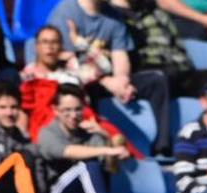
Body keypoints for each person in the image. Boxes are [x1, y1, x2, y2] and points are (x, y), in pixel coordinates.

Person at [47, 0, 173, 155]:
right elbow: (66, 60)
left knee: (156, 80)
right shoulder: (66, 12)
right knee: (83, 88)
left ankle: (162, 148)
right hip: (82, 80)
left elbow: (120, 54)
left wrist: (122, 81)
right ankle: (97, 142)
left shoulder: (114, 16)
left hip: (110, 77)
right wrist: (106, 81)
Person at [37, 83, 132, 193]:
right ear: (55, 110)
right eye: (67, 110)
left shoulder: (90, 134)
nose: (74, 115)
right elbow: (66, 151)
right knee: (88, 166)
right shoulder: (47, 133)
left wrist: (103, 133)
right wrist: (107, 150)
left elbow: (110, 165)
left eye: (78, 109)